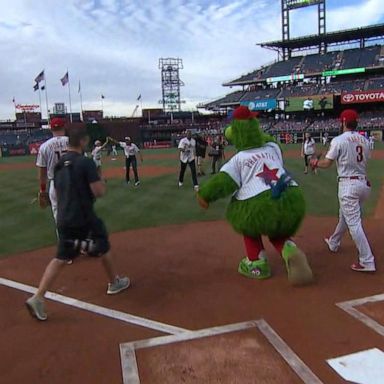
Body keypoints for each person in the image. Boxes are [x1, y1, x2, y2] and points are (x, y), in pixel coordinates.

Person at [25, 126, 130, 321]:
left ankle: (38, 297)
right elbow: (99, 191)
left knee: (61, 257)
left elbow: (57, 191)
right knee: (103, 244)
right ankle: (114, 282)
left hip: (64, 218)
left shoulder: (58, 165)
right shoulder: (85, 162)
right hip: (84, 217)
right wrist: (99, 177)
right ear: (82, 141)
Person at [311, 109, 376, 272]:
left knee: (354, 223)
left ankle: (367, 260)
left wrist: (314, 163)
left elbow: (327, 163)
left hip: (348, 185)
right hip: (363, 184)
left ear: (343, 122)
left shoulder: (339, 140)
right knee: (345, 216)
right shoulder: (365, 140)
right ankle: (334, 242)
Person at [36, 117, 68, 221]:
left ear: (51, 129)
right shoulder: (73, 142)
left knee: (59, 216)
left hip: (56, 184)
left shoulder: (44, 146)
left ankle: (63, 237)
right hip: (75, 181)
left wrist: (42, 190)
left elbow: (42, 171)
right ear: (64, 127)